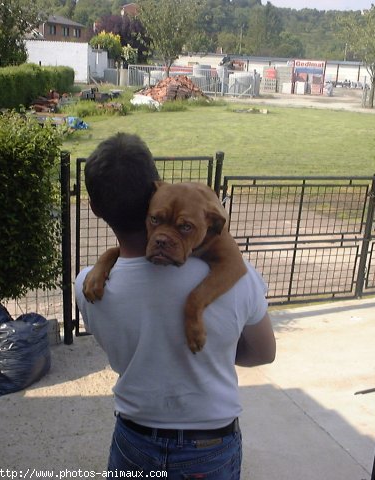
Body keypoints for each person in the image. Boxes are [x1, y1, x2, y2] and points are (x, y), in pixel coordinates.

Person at [75, 132, 276, 479]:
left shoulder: (86, 286)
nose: (167, 235)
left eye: (183, 227)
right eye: (157, 221)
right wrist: (218, 351)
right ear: (152, 195)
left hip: (134, 438)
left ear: (94, 208)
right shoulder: (242, 282)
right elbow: (263, 353)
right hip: (211, 445)